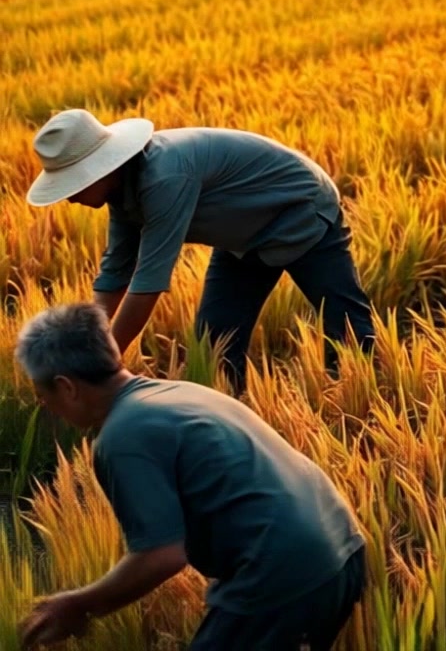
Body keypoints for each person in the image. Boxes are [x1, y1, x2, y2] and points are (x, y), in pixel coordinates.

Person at [16, 303, 366, 650]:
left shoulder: (122, 436)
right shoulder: (177, 392)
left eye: (42, 396)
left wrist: (80, 605)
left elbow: (162, 554)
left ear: (67, 387)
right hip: (341, 549)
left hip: (280, 572)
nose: (47, 408)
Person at [26, 109, 375, 392]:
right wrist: (86, 344)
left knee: (345, 323)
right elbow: (115, 274)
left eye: (73, 184)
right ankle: (234, 418)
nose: (69, 197)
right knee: (214, 348)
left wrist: (99, 366)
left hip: (299, 209)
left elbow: (148, 282)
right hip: (241, 239)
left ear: (101, 169)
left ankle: (359, 402)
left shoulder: (163, 177)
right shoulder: (122, 193)